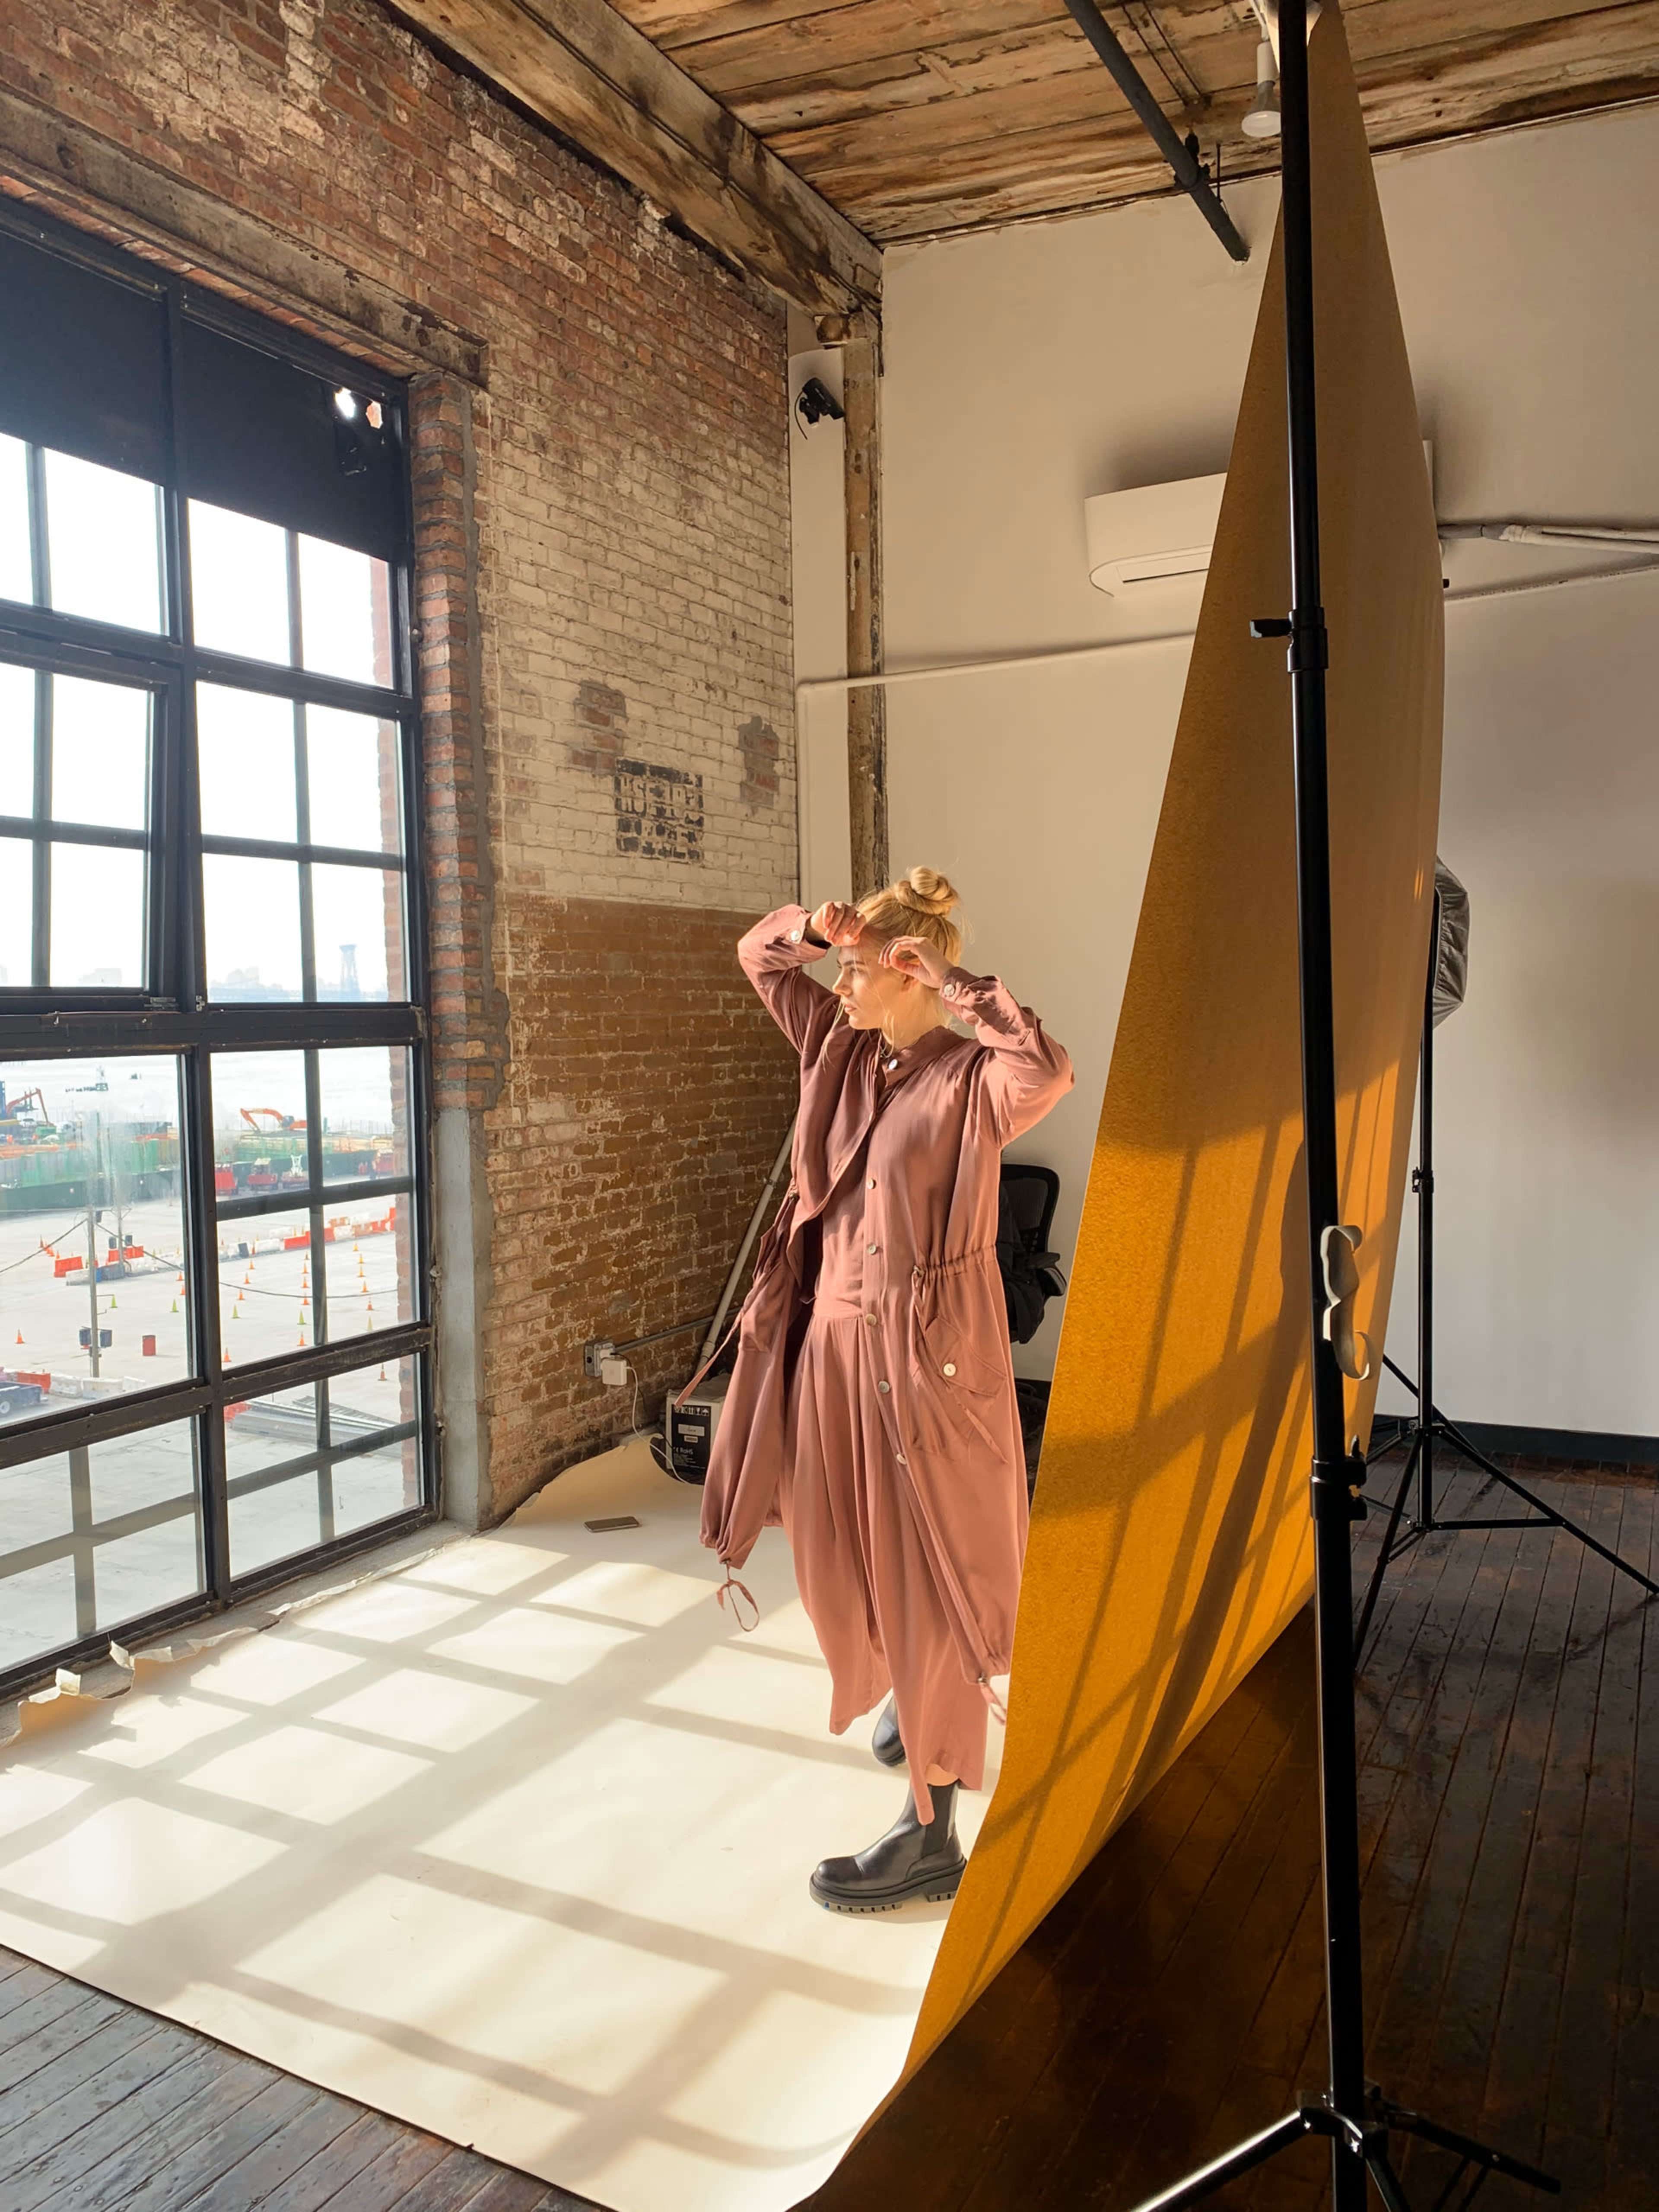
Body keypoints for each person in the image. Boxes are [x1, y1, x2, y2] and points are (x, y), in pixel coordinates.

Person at [691, 866, 1073, 1911]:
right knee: (842, 1549)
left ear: (909, 977)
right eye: (845, 971)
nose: (844, 987)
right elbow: (758, 959)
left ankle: (931, 1830)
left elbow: (1044, 1067)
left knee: (924, 1569)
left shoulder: (970, 1082)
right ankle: (912, 1693)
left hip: (926, 1372)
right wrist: (813, 927)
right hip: (830, 1351)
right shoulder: (841, 1049)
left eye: (861, 973)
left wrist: (962, 986)